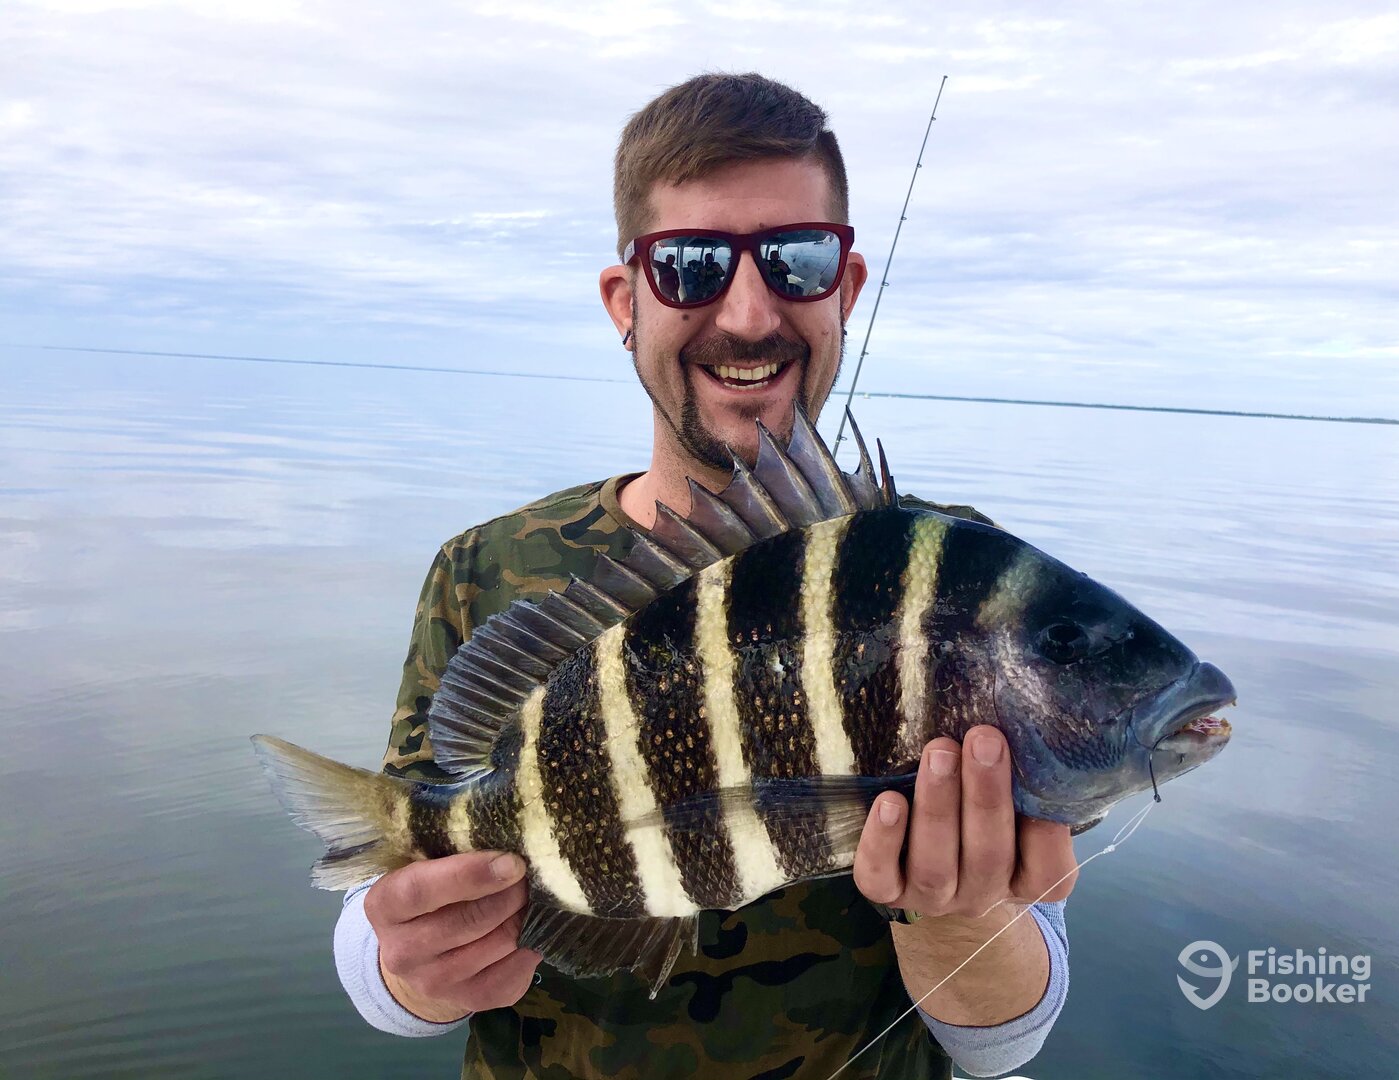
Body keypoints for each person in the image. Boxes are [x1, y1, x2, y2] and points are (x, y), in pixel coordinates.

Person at [333, 72, 1075, 1079]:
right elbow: (384, 905)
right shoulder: (486, 570)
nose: (748, 311)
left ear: (845, 288)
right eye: (687, 265)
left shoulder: (951, 580)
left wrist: (959, 917)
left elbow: (1006, 1043)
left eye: (797, 260)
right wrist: (410, 970)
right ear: (623, 300)